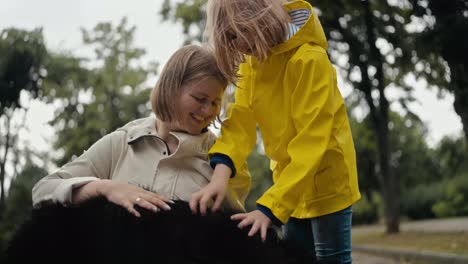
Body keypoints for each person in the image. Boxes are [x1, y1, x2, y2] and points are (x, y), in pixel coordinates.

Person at [189, 0, 361, 263]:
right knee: (294, 257)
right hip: (288, 184)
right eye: (229, 39)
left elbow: (312, 141)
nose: (236, 45)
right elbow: (240, 122)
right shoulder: (252, 65)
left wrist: (270, 209)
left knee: (330, 258)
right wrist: (220, 176)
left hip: (328, 182)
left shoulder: (309, 60)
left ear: (257, 16)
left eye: (236, 34)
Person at [32, 44, 250, 217]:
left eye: (215, 102)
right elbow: (43, 190)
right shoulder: (120, 143)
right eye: (200, 99)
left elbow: (230, 239)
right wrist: (106, 188)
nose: (207, 110)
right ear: (171, 88)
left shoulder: (225, 161)